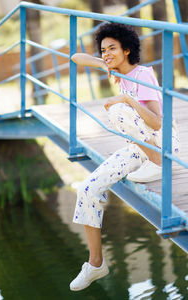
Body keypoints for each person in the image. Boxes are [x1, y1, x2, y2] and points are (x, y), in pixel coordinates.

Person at [69, 22, 180, 291]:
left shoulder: (142, 75)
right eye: (103, 49)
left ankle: (157, 164)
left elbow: (156, 122)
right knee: (87, 188)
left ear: (127, 50)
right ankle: (96, 264)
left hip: (162, 143)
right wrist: (104, 61)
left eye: (112, 48)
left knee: (117, 110)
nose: (106, 53)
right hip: (137, 146)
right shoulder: (115, 68)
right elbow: (75, 57)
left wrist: (126, 100)